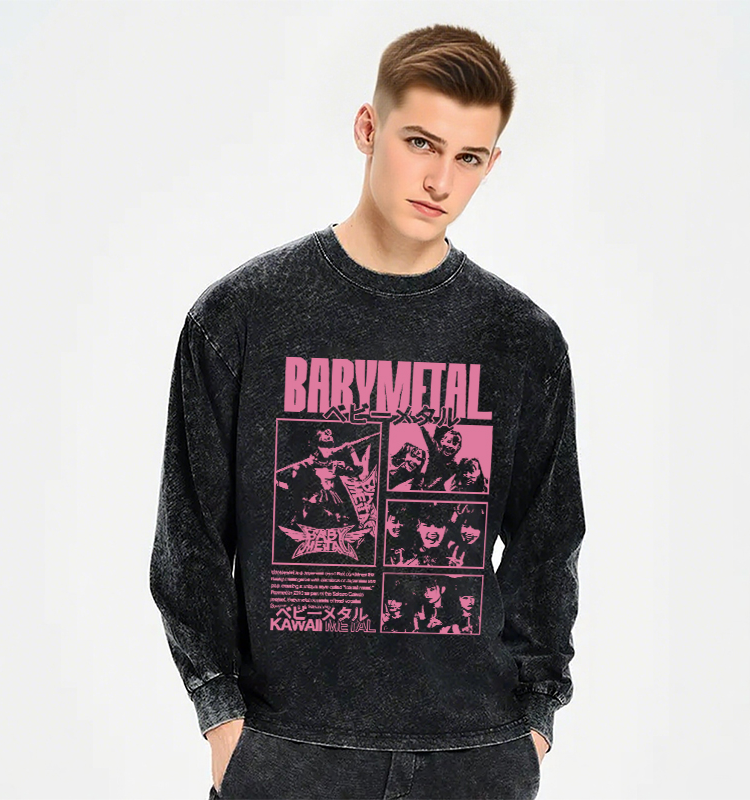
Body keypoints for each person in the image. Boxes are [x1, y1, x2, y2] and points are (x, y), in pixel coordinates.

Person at [150, 22, 585, 800]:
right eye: (421, 143)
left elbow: (548, 546)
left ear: (491, 164)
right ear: (367, 128)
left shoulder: (522, 340)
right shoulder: (242, 317)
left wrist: (534, 724)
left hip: (473, 757)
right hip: (287, 754)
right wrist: (221, 718)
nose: (440, 180)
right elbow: (190, 541)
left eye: (468, 157)